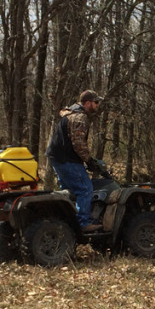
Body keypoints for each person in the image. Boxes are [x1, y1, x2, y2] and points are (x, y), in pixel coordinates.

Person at [46, 90, 108, 232]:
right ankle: (83, 223)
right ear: (87, 103)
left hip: (58, 158)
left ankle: (68, 223)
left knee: (70, 192)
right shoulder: (80, 118)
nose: (97, 105)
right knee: (85, 189)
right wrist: (90, 161)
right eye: (96, 102)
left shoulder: (71, 114)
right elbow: (79, 144)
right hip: (67, 159)